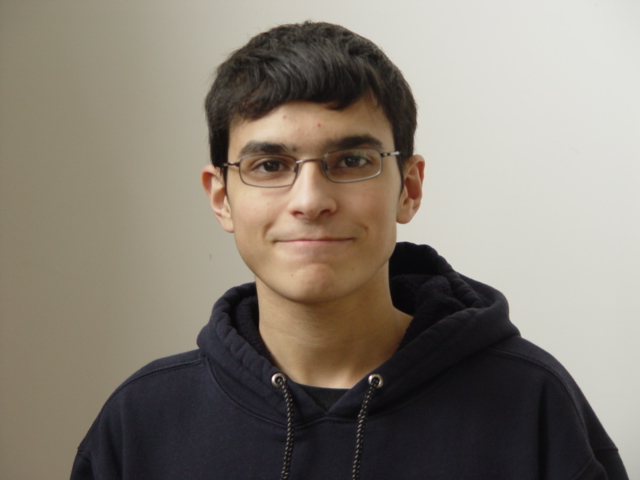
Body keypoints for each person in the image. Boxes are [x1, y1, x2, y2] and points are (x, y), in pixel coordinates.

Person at [71, 22, 628, 480]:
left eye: (353, 161)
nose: (311, 200)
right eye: (270, 165)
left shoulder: (531, 404)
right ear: (222, 199)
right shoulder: (141, 422)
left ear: (409, 188)